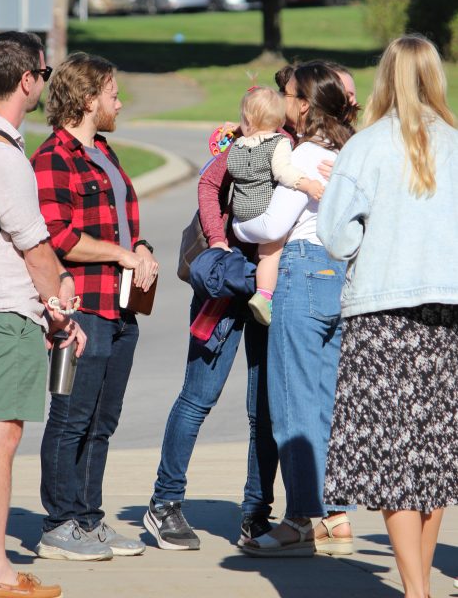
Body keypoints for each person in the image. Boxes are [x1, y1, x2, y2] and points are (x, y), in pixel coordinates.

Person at [317, 35, 458, 598]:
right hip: (447, 312)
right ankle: (419, 585)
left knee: (395, 453)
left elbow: (333, 234)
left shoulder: (366, 147)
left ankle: (415, 590)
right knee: (435, 452)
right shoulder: (456, 144)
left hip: (382, 311)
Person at [0, 31, 86, 598]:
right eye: (43, 75)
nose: (42, 85)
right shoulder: (2, 154)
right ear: (27, 79)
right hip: (5, 312)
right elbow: (36, 246)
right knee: (0, 441)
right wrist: (60, 313)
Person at [31, 52, 158, 561]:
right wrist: (121, 253)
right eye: (111, 93)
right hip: (80, 307)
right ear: (87, 100)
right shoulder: (52, 158)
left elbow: (123, 223)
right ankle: (58, 524)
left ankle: (88, 519)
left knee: (103, 421)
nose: (118, 102)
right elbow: (56, 237)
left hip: (121, 308)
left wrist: (142, 249)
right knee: (70, 417)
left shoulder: (103, 152)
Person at [232, 62, 357, 557]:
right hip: (340, 273)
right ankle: (336, 515)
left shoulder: (303, 153)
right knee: (326, 400)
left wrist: (235, 228)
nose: (282, 102)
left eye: (286, 94)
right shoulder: (347, 151)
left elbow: (270, 226)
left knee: (292, 401)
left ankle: (302, 517)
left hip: (303, 270)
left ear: (304, 104)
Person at [143, 141, 279, 551]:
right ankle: (165, 502)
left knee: (265, 409)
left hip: (269, 289)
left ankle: (256, 515)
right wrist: (218, 240)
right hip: (226, 282)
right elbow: (207, 183)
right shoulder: (250, 143)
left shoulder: (300, 148)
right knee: (198, 397)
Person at [227, 85, 324, 325]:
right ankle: (264, 296)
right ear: (280, 119)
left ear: (247, 119)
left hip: (241, 211)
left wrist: (239, 130)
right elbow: (283, 172)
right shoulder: (278, 142)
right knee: (271, 253)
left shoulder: (238, 144)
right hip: (263, 209)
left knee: (263, 251)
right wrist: (307, 184)